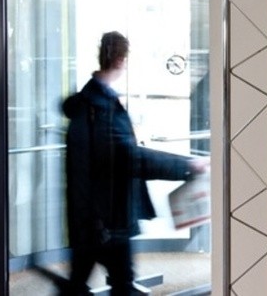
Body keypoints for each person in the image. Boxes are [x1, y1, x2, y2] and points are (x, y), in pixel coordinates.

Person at [61, 31, 207, 295]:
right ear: (120, 60)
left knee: (81, 282)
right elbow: (130, 158)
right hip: (108, 217)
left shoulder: (89, 101)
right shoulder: (102, 107)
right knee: (121, 283)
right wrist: (187, 165)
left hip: (91, 215)